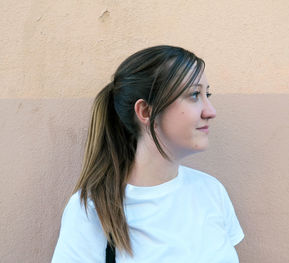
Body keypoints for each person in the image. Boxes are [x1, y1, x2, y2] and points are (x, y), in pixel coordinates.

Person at [51, 45, 244, 263]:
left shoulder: (212, 192)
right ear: (146, 111)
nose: (210, 111)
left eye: (206, 94)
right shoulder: (93, 210)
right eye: (194, 94)